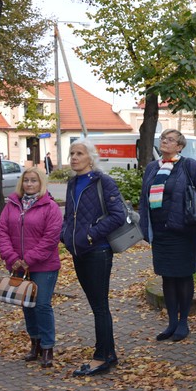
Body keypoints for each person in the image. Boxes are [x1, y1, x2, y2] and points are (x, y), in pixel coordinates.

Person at [61, 139, 125, 376]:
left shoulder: (102, 181)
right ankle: (109, 353)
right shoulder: (72, 182)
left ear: (91, 157)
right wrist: (65, 235)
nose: (74, 157)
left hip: (97, 250)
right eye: (72, 153)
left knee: (100, 306)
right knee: (96, 305)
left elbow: (118, 215)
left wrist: (90, 235)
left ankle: (102, 358)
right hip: (78, 250)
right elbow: (69, 215)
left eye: (79, 153)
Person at [138, 129, 196, 342]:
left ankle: (184, 321)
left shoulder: (189, 166)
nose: (165, 142)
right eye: (163, 139)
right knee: (167, 277)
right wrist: (144, 227)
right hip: (160, 232)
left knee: (183, 276)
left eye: (170, 140)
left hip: (183, 231)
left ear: (180, 146)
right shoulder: (152, 167)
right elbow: (144, 199)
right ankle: (171, 322)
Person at [0, 167, 63, 368]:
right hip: (17, 265)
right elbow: (2, 232)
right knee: (27, 305)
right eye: (26, 180)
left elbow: (50, 238)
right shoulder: (12, 205)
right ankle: (35, 344)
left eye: (34, 180)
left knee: (41, 305)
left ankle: (48, 346)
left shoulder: (50, 207)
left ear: (41, 183)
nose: (29, 184)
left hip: (44, 265)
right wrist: (12, 258)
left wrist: (28, 260)